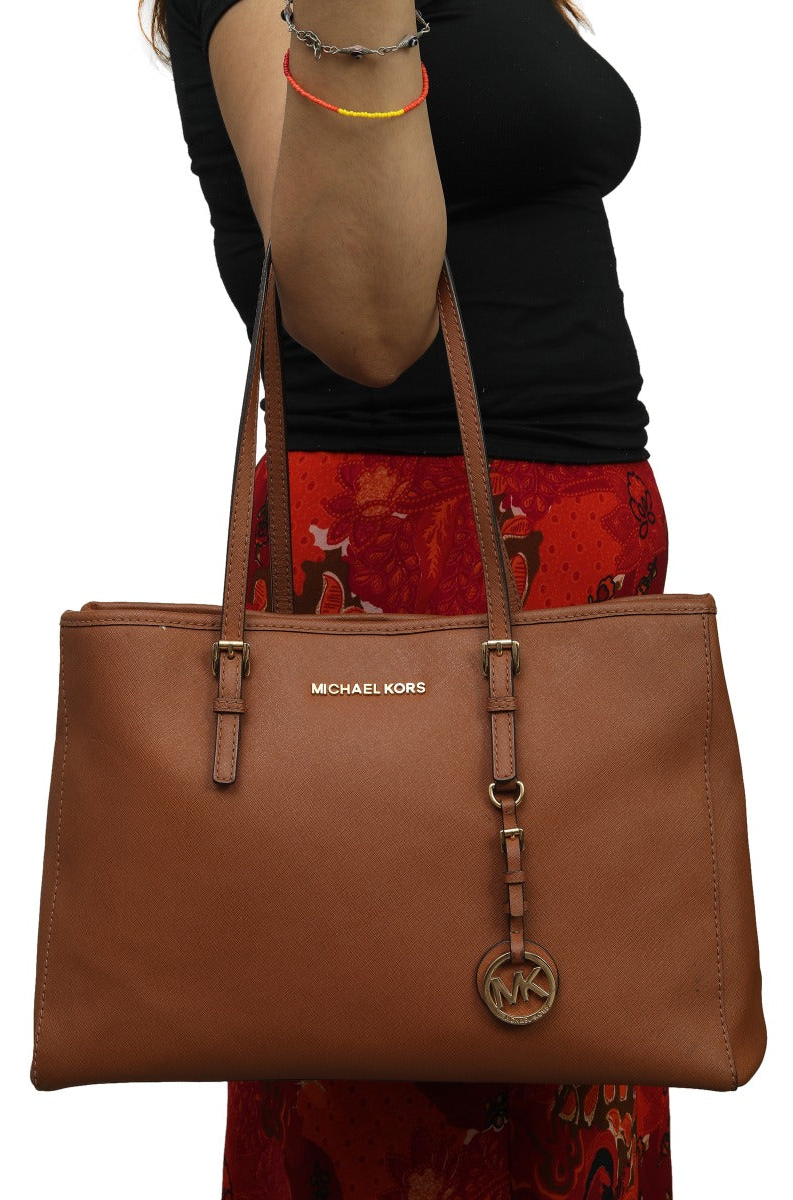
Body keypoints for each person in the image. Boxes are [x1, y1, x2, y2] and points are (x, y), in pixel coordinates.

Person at [141, 1, 673, 1196]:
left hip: (578, 569)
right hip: (410, 571)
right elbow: (368, 323)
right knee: (397, 1053)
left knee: (577, 1049)